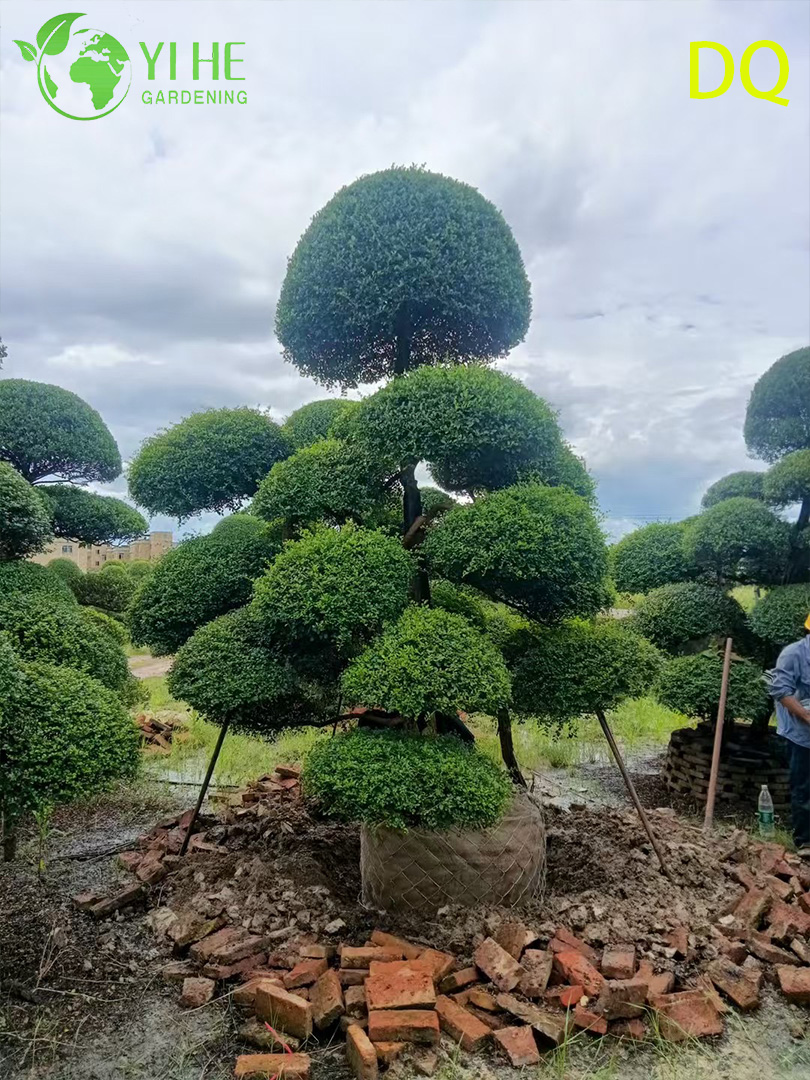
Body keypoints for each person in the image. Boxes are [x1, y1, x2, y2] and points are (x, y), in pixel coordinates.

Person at [768, 615, 810, 857]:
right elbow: (780, 690)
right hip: (801, 733)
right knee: (804, 785)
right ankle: (805, 841)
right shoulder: (793, 654)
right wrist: (805, 716)